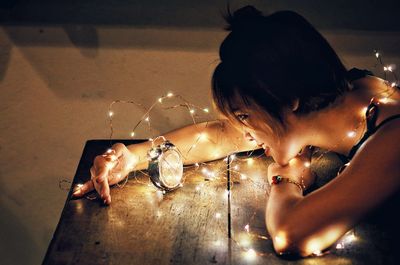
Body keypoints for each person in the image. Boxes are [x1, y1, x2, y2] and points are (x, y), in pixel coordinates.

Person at [72, 6, 400, 257]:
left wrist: (286, 179)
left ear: (289, 100)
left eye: (245, 115)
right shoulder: (340, 100)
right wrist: (134, 156)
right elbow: (219, 136)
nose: (242, 129)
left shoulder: (392, 135)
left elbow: (292, 235)